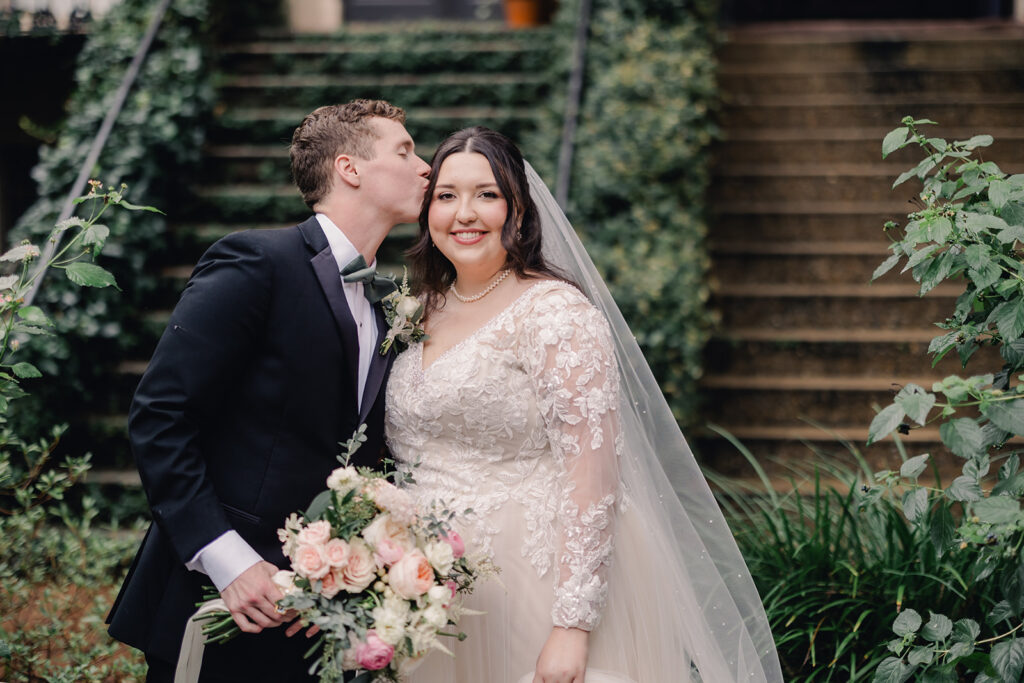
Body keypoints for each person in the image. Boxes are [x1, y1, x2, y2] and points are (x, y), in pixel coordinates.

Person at [384, 127, 784, 683]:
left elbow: (593, 480)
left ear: (518, 207)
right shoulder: (417, 310)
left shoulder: (555, 314)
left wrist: (572, 626)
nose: (465, 213)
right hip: (430, 592)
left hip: (533, 583)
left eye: (488, 194)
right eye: (447, 195)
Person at [106, 99, 430, 682]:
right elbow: (160, 415)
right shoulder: (257, 261)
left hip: (322, 613)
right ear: (349, 168)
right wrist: (227, 562)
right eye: (405, 151)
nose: (425, 166)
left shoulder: (389, 307)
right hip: (219, 601)